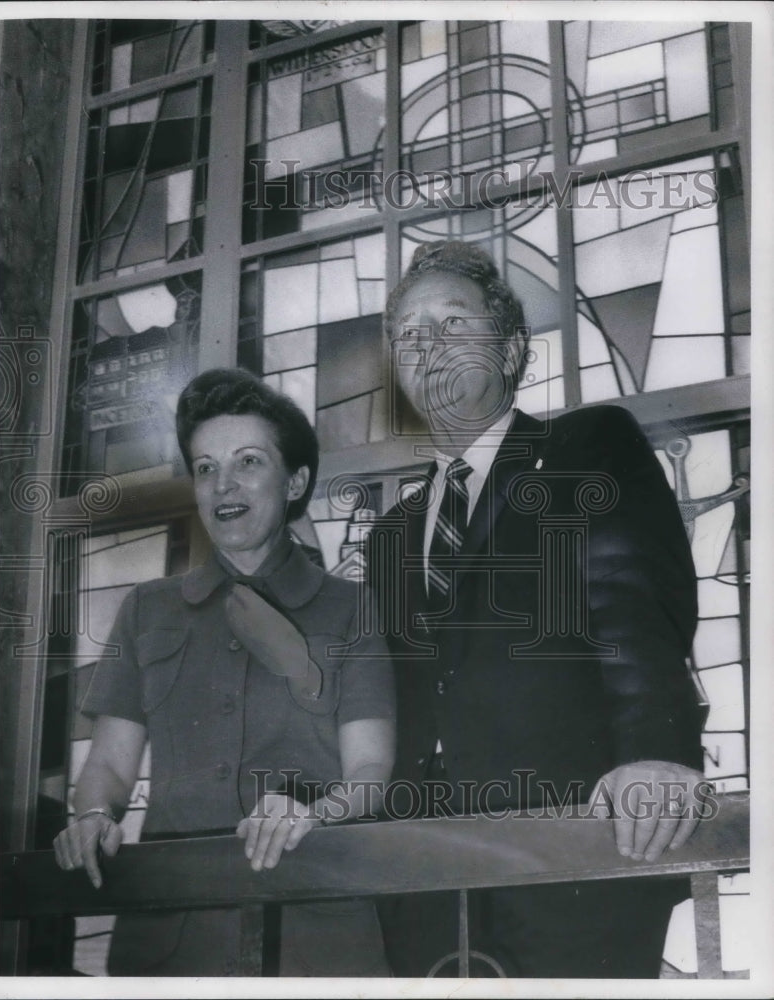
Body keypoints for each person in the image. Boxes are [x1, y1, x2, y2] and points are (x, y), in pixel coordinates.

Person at [366, 241, 707, 979]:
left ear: (513, 349)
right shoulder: (391, 534)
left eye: (453, 321)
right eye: (409, 333)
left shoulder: (585, 448)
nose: (429, 345)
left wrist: (656, 749)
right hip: (422, 883)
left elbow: (631, 601)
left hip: (577, 855)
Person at [54, 368, 395, 977]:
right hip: (172, 941)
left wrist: (316, 813)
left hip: (314, 933)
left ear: (295, 482)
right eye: (206, 467)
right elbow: (106, 766)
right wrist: (93, 816)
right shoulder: (147, 609)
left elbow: (369, 771)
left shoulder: (351, 610)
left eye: (248, 462)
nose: (223, 484)